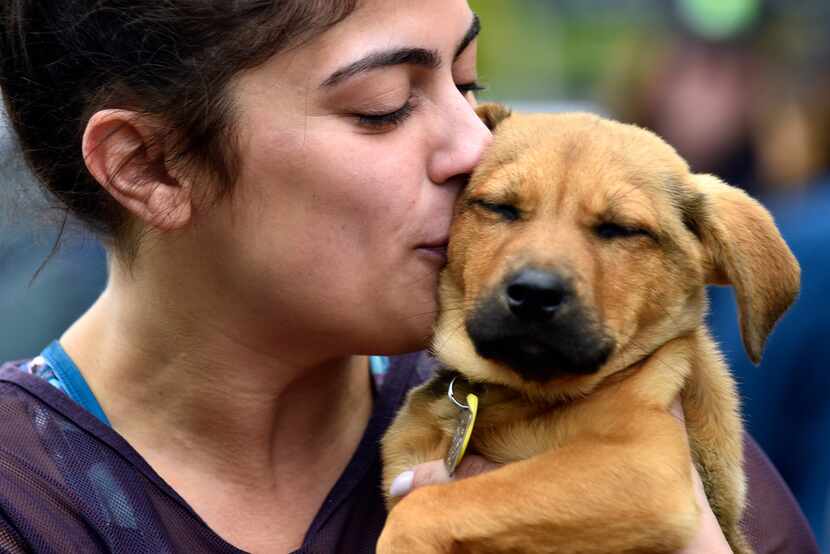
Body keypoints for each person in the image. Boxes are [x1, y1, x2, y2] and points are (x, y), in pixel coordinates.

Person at [0, 1, 818, 553]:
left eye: (469, 87)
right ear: (151, 166)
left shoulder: (590, 398)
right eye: (385, 104)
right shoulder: (30, 499)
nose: (476, 147)